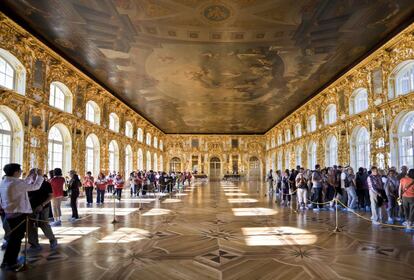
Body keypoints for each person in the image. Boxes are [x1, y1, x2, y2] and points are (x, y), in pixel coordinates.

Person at [0, 164, 43, 271]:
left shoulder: (6, 181)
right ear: (15, 172)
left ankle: (7, 261)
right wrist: (40, 176)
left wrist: (31, 176)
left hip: (10, 213)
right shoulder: (15, 183)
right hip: (18, 214)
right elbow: (35, 187)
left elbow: (23, 183)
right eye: (20, 170)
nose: (21, 172)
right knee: (16, 239)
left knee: (13, 238)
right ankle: (11, 263)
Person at [28, 171, 57, 251]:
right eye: (31, 175)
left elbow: (51, 196)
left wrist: (42, 205)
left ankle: (52, 240)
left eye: (34, 175)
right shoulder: (29, 184)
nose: (32, 177)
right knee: (31, 225)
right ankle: (34, 244)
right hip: (31, 208)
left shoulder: (46, 184)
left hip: (43, 207)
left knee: (43, 224)